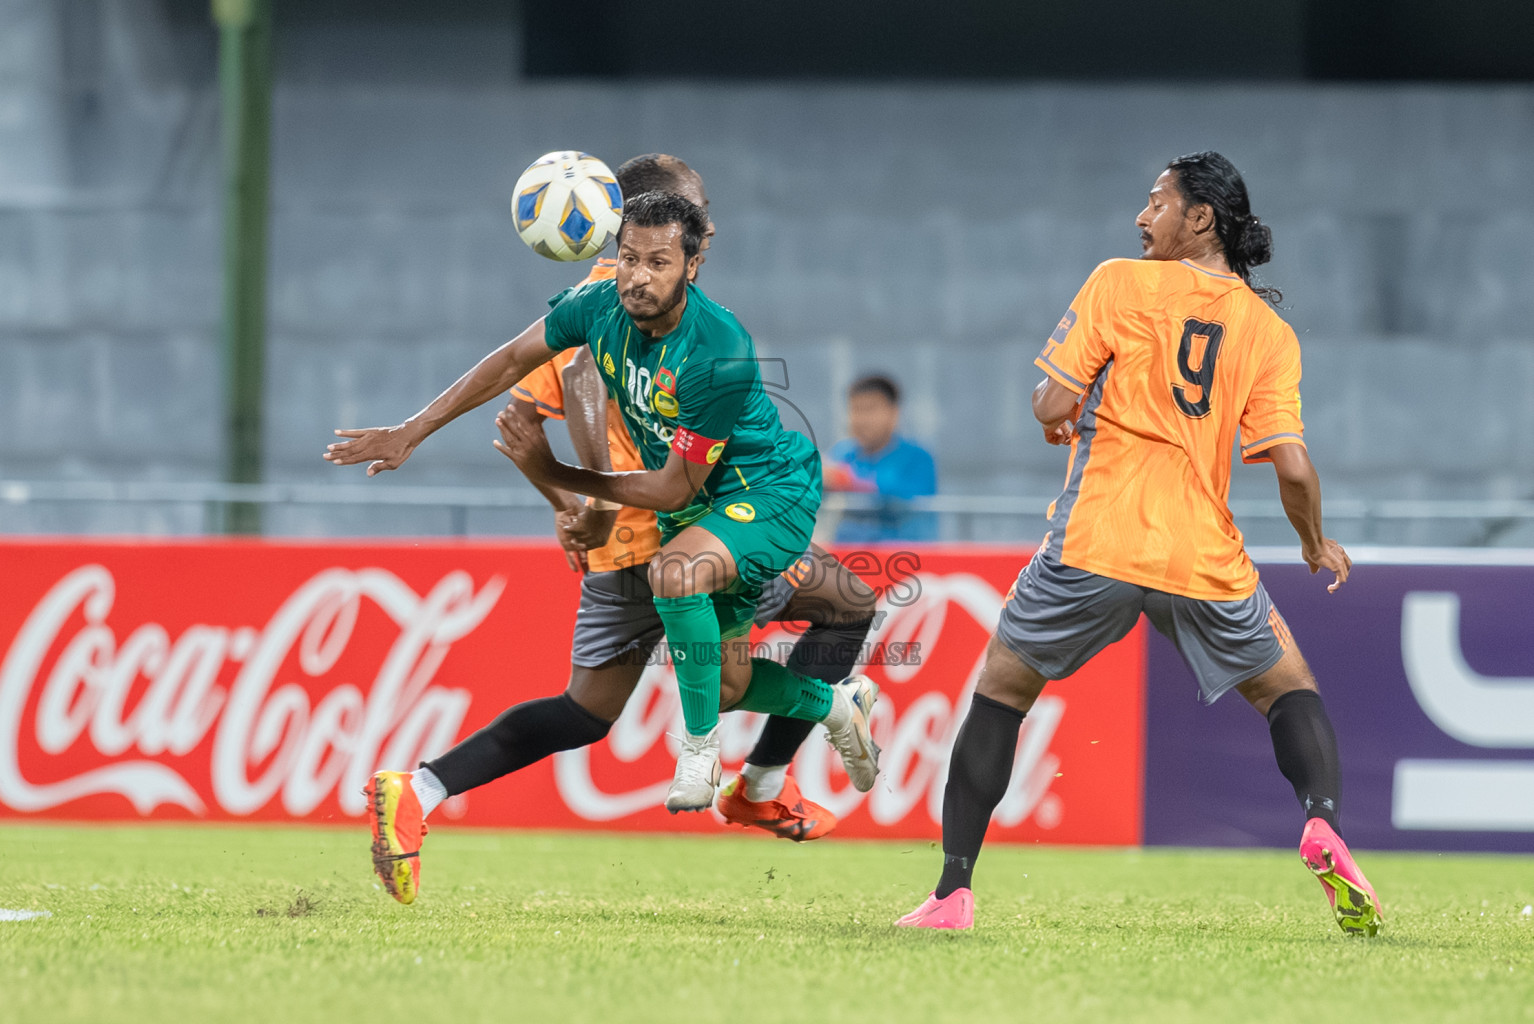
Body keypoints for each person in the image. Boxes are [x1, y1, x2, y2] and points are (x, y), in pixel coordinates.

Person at [327, 181, 880, 904]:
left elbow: (533, 406)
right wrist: (550, 487)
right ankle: (778, 758)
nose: (642, 272)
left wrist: (570, 499)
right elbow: (547, 400)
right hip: (660, 530)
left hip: (679, 523)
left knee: (596, 706)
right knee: (820, 616)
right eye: (632, 256)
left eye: (660, 257)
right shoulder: (605, 309)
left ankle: (424, 787)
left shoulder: (662, 323)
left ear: (688, 257)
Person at [896, 151, 1382, 938]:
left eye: (1156, 202)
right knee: (1287, 687)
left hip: (1096, 538)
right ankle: (1323, 824)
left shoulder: (1118, 281)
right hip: (1200, 553)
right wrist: (1314, 544)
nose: (1140, 217)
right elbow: (1292, 464)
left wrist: (1064, 403)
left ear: (1199, 219)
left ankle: (952, 894)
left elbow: (1051, 399)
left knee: (1001, 694)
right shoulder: (1268, 330)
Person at [826, 375, 938, 542]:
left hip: (904, 557)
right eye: (856, 409)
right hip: (847, 557)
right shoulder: (843, 453)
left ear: (894, 413)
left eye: (870, 409)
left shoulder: (918, 458)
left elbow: (900, 492)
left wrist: (848, 480)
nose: (862, 419)